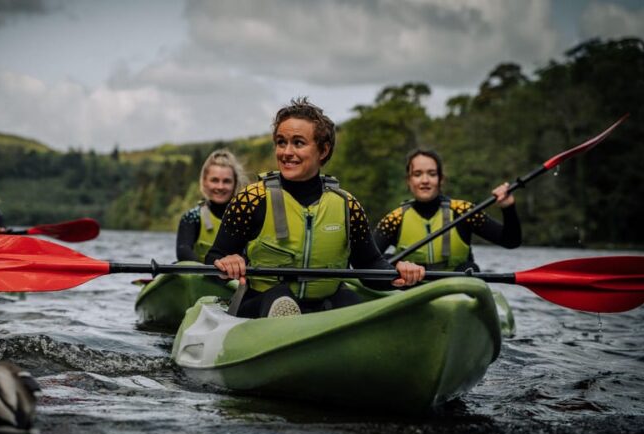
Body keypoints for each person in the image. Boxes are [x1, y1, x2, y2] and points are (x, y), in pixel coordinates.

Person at [207, 98, 425, 318]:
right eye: (281, 142)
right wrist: (226, 263)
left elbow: (369, 265)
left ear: (323, 150)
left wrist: (399, 273)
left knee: (348, 299)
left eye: (298, 143)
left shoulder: (348, 205)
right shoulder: (251, 199)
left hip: (324, 305)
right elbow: (214, 258)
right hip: (262, 304)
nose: (286, 152)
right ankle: (285, 322)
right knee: (280, 297)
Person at [374, 149, 521, 272]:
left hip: (455, 288)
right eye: (417, 174)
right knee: (385, 259)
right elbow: (368, 260)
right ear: (409, 180)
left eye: (432, 174)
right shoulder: (395, 218)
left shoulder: (463, 211)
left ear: (441, 179)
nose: (425, 180)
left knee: (470, 268)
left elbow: (511, 241)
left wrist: (508, 208)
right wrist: (393, 264)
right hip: (408, 288)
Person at [176, 149, 248, 262]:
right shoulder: (191, 217)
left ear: (235, 183)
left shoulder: (247, 218)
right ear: (205, 182)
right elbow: (183, 252)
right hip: (199, 272)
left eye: (226, 181)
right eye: (214, 180)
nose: (220, 187)